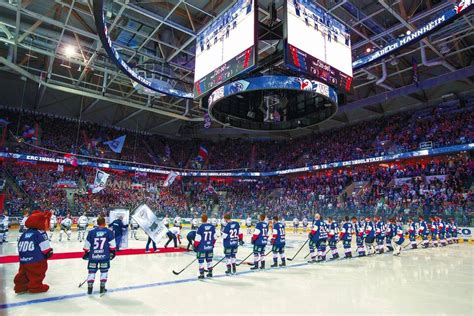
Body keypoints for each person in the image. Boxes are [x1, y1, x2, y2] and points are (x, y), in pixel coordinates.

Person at [14, 210, 53, 294]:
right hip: (36, 259)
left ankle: (20, 287)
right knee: (37, 274)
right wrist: (49, 253)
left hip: (23, 260)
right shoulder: (40, 232)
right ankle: (36, 287)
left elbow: (19, 245)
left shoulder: (25, 233)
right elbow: (45, 248)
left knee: (22, 274)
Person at [82, 216, 116, 295]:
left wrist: (87, 252)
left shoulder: (91, 232)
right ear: (104, 223)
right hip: (105, 256)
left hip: (93, 256)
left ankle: (90, 290)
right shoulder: (109, 232)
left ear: (97, 223)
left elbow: (86, 246)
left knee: (91, 272)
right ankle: (102, 288)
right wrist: (112, 252)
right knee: (104, 272)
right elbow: (113, 246)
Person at [194, 214, 217, 279]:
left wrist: (195, 246)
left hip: (202, 248)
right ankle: (210, 273)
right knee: (209, 260)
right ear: (207, 219)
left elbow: (197, 239)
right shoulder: (212, 227)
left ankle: (202, 274)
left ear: (201, 219)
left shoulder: (200, 227)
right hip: (210, 247)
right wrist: (212, 244)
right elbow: (215, 238)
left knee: (201, 261)